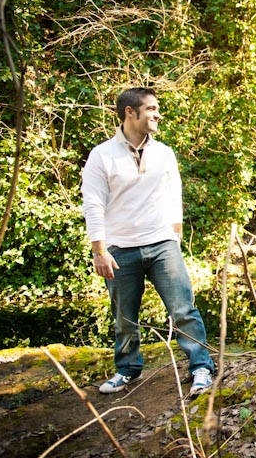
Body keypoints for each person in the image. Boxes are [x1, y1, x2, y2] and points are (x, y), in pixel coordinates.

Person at [81, 87, 215, 395]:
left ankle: (201, 368)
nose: (157, 114)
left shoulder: (164, 152)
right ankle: (127, 369)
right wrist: (99, 250)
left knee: (183, 309)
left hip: (162, 245)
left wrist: (175, 237)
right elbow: (93, 204)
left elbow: (173, 195)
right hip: (119, 250)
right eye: (151, 109)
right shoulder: (102, 155)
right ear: (130, 112)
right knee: (125, 316)